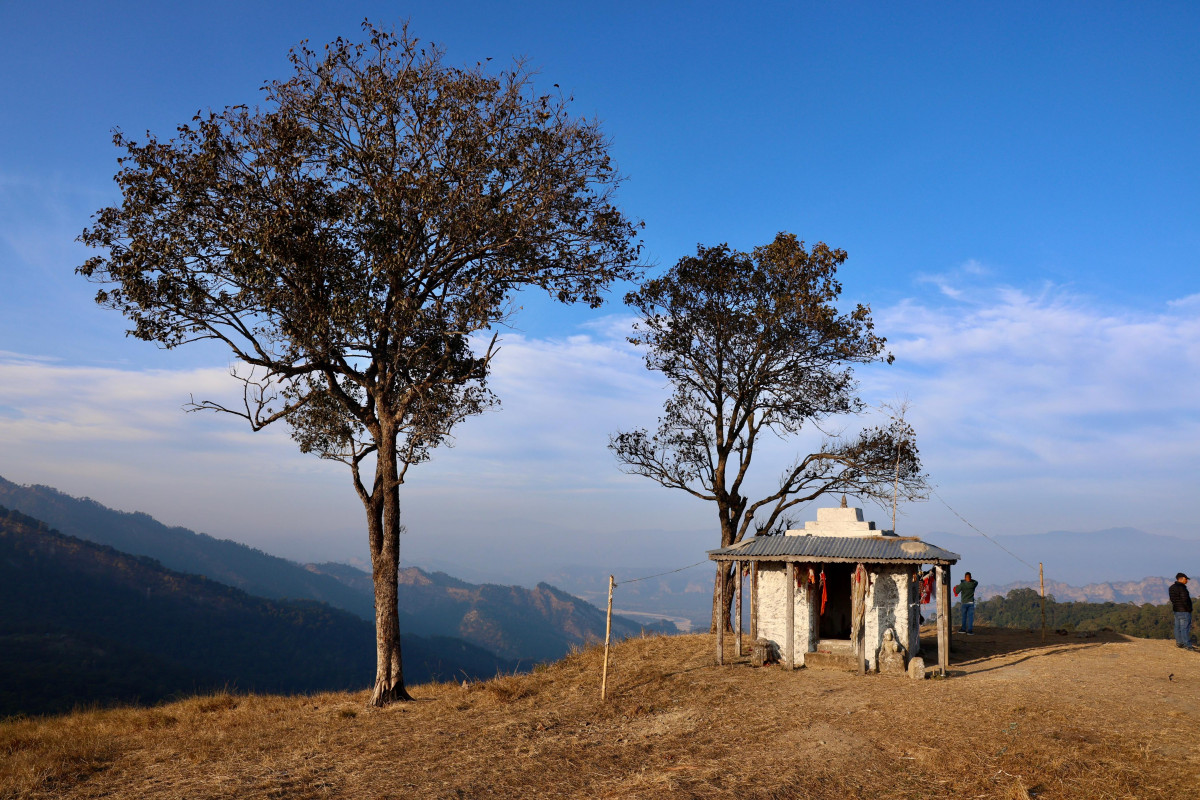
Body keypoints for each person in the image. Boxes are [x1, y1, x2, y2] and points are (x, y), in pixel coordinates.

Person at [1169, 572, 1193, 650]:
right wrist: (1189, 609)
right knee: (1185, 628)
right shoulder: (1182, 588)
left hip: (1176, 610)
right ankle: (1187, 645)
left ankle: (1179, 642)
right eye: (1186, 579)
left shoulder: (1171, 587)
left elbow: (1172, 599)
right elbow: (1185, 599)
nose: (1187, 581)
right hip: (1184, 611)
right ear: (1182, 578)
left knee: (1177, 627)